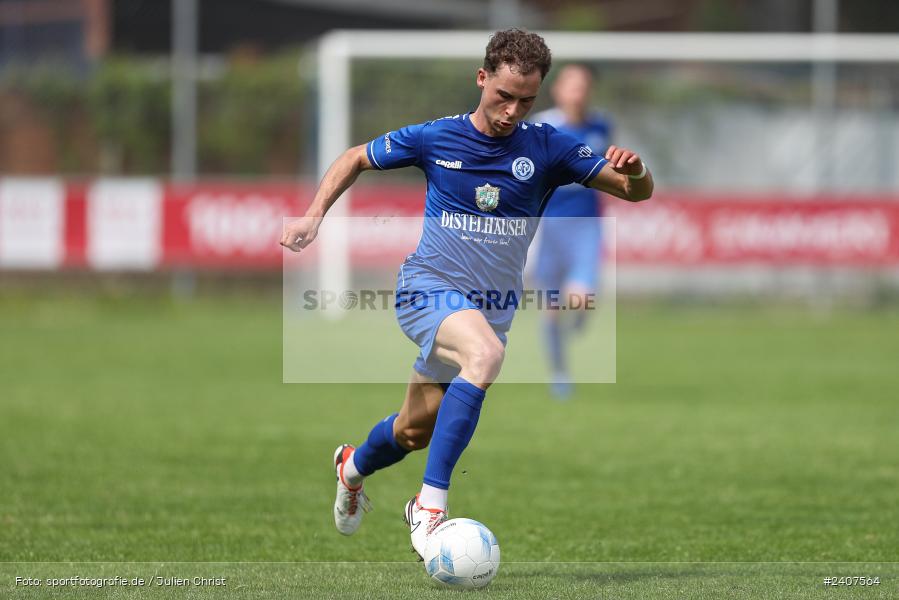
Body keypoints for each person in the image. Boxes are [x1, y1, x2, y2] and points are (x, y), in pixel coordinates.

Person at [280, 29, 653, 560]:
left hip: (488, 312)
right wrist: (313, 215)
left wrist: (638, 173)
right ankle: (429, 508)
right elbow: (355, 157)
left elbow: (634, 192)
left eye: (526, 100)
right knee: (486, 355)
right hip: (425, 289)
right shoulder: (437, 136)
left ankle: (352, 466)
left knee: (413, 432)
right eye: (503, 96)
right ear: (482, 79)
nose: (511, 111)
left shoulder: (548, 146)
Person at [532, 64, 614, 399]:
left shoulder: (601, 125)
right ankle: (560, 373)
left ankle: (580, 317)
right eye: (572, 86)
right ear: (559, 91)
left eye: (583, 86)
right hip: (548, 227)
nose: (578, 93)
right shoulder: (542, 126)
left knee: (580, 298)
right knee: (550, 308)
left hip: (586, 225)